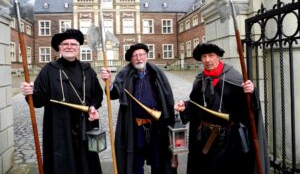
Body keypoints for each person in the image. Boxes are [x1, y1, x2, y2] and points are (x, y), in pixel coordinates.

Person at [174, 43, 270, 174]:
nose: (207, 60)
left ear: (218, 57)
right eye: (204, 56)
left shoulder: (233, 78)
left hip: (229, 140)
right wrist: (185, 106)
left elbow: (248, 109)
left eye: (211, 55)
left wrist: (251, 92)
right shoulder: (199, 80)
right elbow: (195, 106)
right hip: (205, 137)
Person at [21, 29, 103, 174]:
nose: (69, 46)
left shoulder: (87, 70)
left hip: (85, 125)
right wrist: (29, 93)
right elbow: (38, 101)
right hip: (58, 127)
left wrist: (93, 107)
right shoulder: (49, 70)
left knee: (87, 165)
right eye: (65, 44)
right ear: (59, 48)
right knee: (62, 164)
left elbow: (98, 95)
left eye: (74, 44)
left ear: (78, 48)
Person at [100, 43, 176, 174]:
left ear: (146, 56)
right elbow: (114, 93)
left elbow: (167, 95)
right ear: (131, 59)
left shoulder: (156, 73)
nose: (139, 58)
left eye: (141, 55)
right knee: (136, 162)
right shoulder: (125, 74)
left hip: (156, 127)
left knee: (158, 162)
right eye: (135, 56)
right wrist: (108, 83)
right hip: (135, 127)